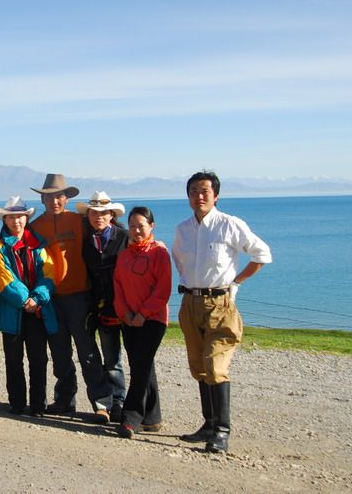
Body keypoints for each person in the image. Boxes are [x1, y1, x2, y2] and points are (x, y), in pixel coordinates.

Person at [172, 171, 272, 453]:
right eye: (193, 191)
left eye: (204, 191)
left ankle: (222, 430)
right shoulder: (183, 229)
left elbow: (262, 254)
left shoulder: (230, 224)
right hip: (190, 303)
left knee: (216, 366)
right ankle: (208, 423)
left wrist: (236, 282)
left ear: (215, 195)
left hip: (220, 305)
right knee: (199, 367)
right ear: (188, 196)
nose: (199, 196)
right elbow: (178, 257)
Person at [30, 174, 113, 422]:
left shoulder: (80, 221)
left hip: (80, 297)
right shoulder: (35, 227)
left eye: (60, 196)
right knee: (60, 352)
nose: (55, 201)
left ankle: (102, 404)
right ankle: (65, 400)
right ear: (43, 199)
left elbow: (107, 232)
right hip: (51, 299)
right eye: (50, 197)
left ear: (66, 198)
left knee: (88, 352)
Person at [0, 196, 58, 417]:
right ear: (5, 220)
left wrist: (37, 298)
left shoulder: (39, 245)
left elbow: (48, 274)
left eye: (20, 217)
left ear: (26, 218)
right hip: (13, 310)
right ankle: (17, 403)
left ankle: (38, 405)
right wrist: (24, 300)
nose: (16, 221)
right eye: (12, 218)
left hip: (37, 310)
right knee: (13, 359)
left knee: (38, 359)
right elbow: (3, 278)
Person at [112, 206, 171, 438]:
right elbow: (118, 286)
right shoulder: (124, 255)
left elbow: (162, 288)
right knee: (144, 366)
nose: (136, 230)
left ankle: (131, 418)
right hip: (128, 319)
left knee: (140, 366)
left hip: (153, 319)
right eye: (133, 226)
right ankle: (152, 418)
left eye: (141, 226)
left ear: (151, 227)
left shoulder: (159, 253)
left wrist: (143, 314)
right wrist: (124, 313)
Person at [76, 191, 128, 423]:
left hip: (116, 306)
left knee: (112, 358)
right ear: (88, 215)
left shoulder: (124, 237)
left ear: (111, 215)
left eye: (103, 213)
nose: (99, 217)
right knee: (90, 357)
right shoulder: (85, 240)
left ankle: (119, 402)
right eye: (94, 213)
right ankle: (102, 404)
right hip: (90, 305)